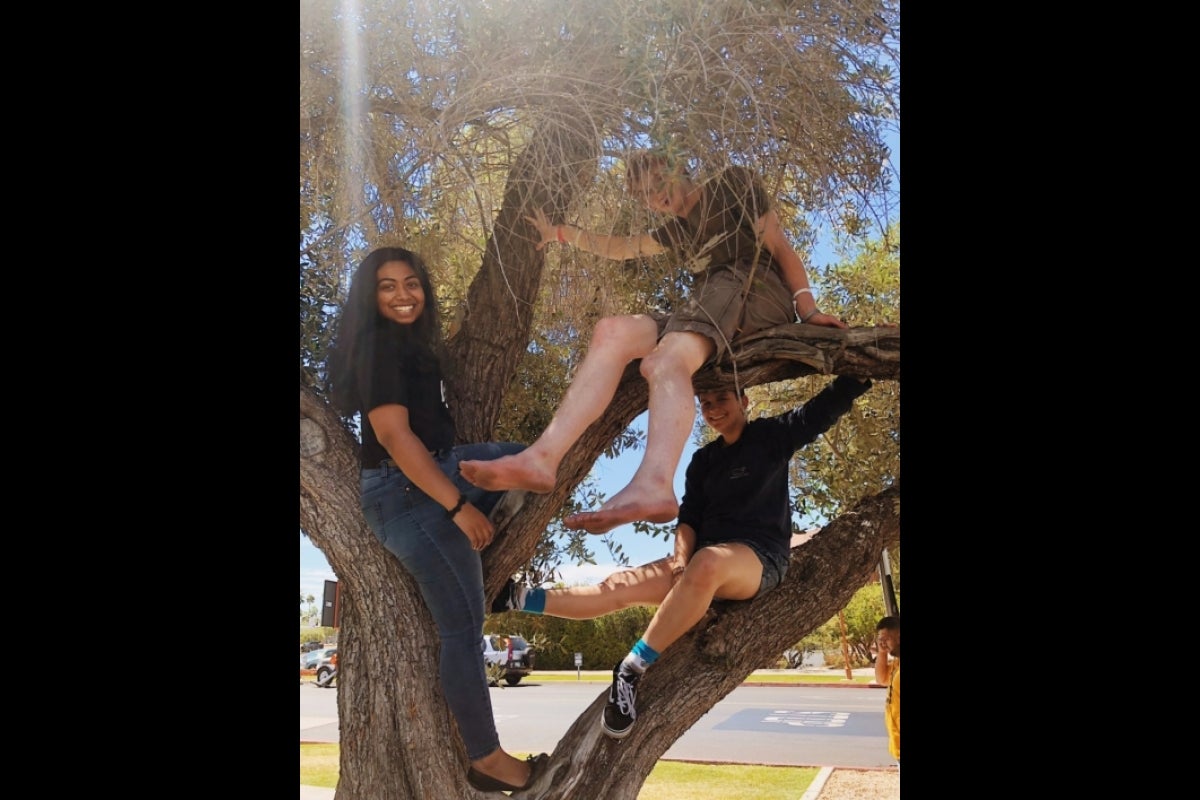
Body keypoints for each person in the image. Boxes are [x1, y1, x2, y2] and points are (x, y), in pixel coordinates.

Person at [460, 148, 849, 534]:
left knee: (664, 361)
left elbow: (779, 245)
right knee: (612, 332)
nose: (654, 197)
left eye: (657, 183)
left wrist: (809, 311)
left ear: (679, 166)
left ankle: (654, 484)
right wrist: (560, 234)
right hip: (710, 305)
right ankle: (542, 458)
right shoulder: (675, 232)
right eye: (644, 194)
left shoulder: (733, 183)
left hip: (756, 291)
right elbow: (621, 248)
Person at [493, 374, 872, 738]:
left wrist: (855, 377)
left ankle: (630, 669)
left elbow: (819, 412)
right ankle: (515, 597)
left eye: (722, 399)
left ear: (744, 400)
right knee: (616, 586)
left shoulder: (771, 436)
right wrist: (678, 563)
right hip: (702, 562)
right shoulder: (703, 461)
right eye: (705, 403)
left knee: (708, 562)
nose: (713, 409)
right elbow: (688, 518)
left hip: (757, 560)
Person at [325, 246, 548, 792]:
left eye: (411, 283)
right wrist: (457, 506)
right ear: (369, 297)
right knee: (463, 631)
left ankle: (480, 560)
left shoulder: (408, 347)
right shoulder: (379, 348)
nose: (403, 294)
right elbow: (395, 438)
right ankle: (487, 760)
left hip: (429, 477)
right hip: (408, 496)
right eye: (387, 286)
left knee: (530, 461)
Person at [875, 615, 900, 771]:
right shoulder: (897, 663)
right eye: (880, 640)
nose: (883, 644)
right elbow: (881, 678)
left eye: (886, 639)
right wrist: (882, 653)